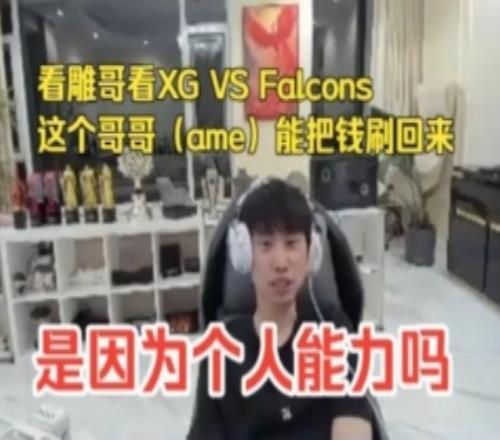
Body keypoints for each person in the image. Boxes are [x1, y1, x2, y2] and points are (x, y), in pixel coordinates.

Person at [187, 179, 373, 439]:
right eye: (266, 244)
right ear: (243, 255)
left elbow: (354, 424)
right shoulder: (221, 349)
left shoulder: (333, 330)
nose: (281, 263)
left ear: (311, 253)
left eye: (292, 243)